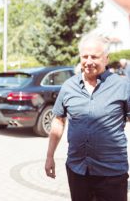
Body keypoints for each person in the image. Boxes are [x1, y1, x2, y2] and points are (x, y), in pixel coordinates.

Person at [45, 34, 130, 201]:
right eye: (85, 56)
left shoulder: (122, 87)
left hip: (112, 173)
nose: (89, 61)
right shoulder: (69, 86)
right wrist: (49, 156)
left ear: (106, 59)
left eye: (95, 57)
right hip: (78, 170)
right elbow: (58, 120)